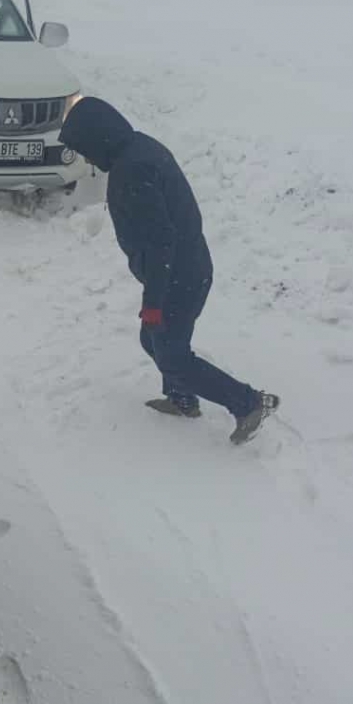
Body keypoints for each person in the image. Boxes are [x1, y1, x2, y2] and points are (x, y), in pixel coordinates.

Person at [59, 97, 279, 445]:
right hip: (187, 267)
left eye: (85, 149)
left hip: (178, 274)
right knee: (154, 340)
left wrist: (154, 301)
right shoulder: (138, 148)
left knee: (171, 353)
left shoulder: (132, 170)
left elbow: (161, 240)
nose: (87, 159)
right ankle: (182, 399)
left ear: (96, 137)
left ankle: (249, 403)